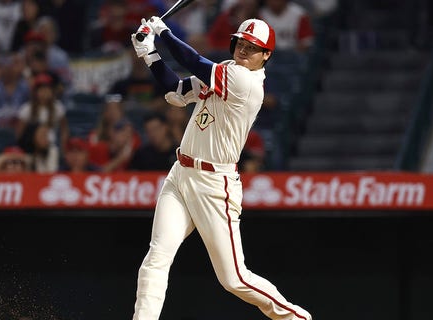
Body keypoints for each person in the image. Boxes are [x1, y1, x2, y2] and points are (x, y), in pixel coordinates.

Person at [129, 16, 312, 319]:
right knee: (156, 259)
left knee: (234, 279)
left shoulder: (248, 83)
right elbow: (176, 91)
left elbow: (194, 61)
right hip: (181, 174)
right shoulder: (227, 70)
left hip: (215, 184)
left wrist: (163, 33)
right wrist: (148, 53)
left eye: (252, 47)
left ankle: (296, 317)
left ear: (266, 55)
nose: (243, 49)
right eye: (241, 42)